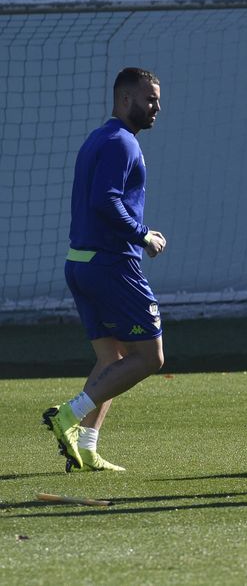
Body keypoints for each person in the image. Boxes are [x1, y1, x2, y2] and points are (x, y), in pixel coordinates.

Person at [43, 67, 169, 473]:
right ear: (125, 99)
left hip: (81, 263)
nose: (156, 107)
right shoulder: (122, 143)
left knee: (111, 357)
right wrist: (143, 234)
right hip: (112, 265)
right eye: (150, 99)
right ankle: (70, 414)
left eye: (158, 100)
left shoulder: (98, 138)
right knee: (151, 358)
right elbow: (106, 200)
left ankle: (87, 446)